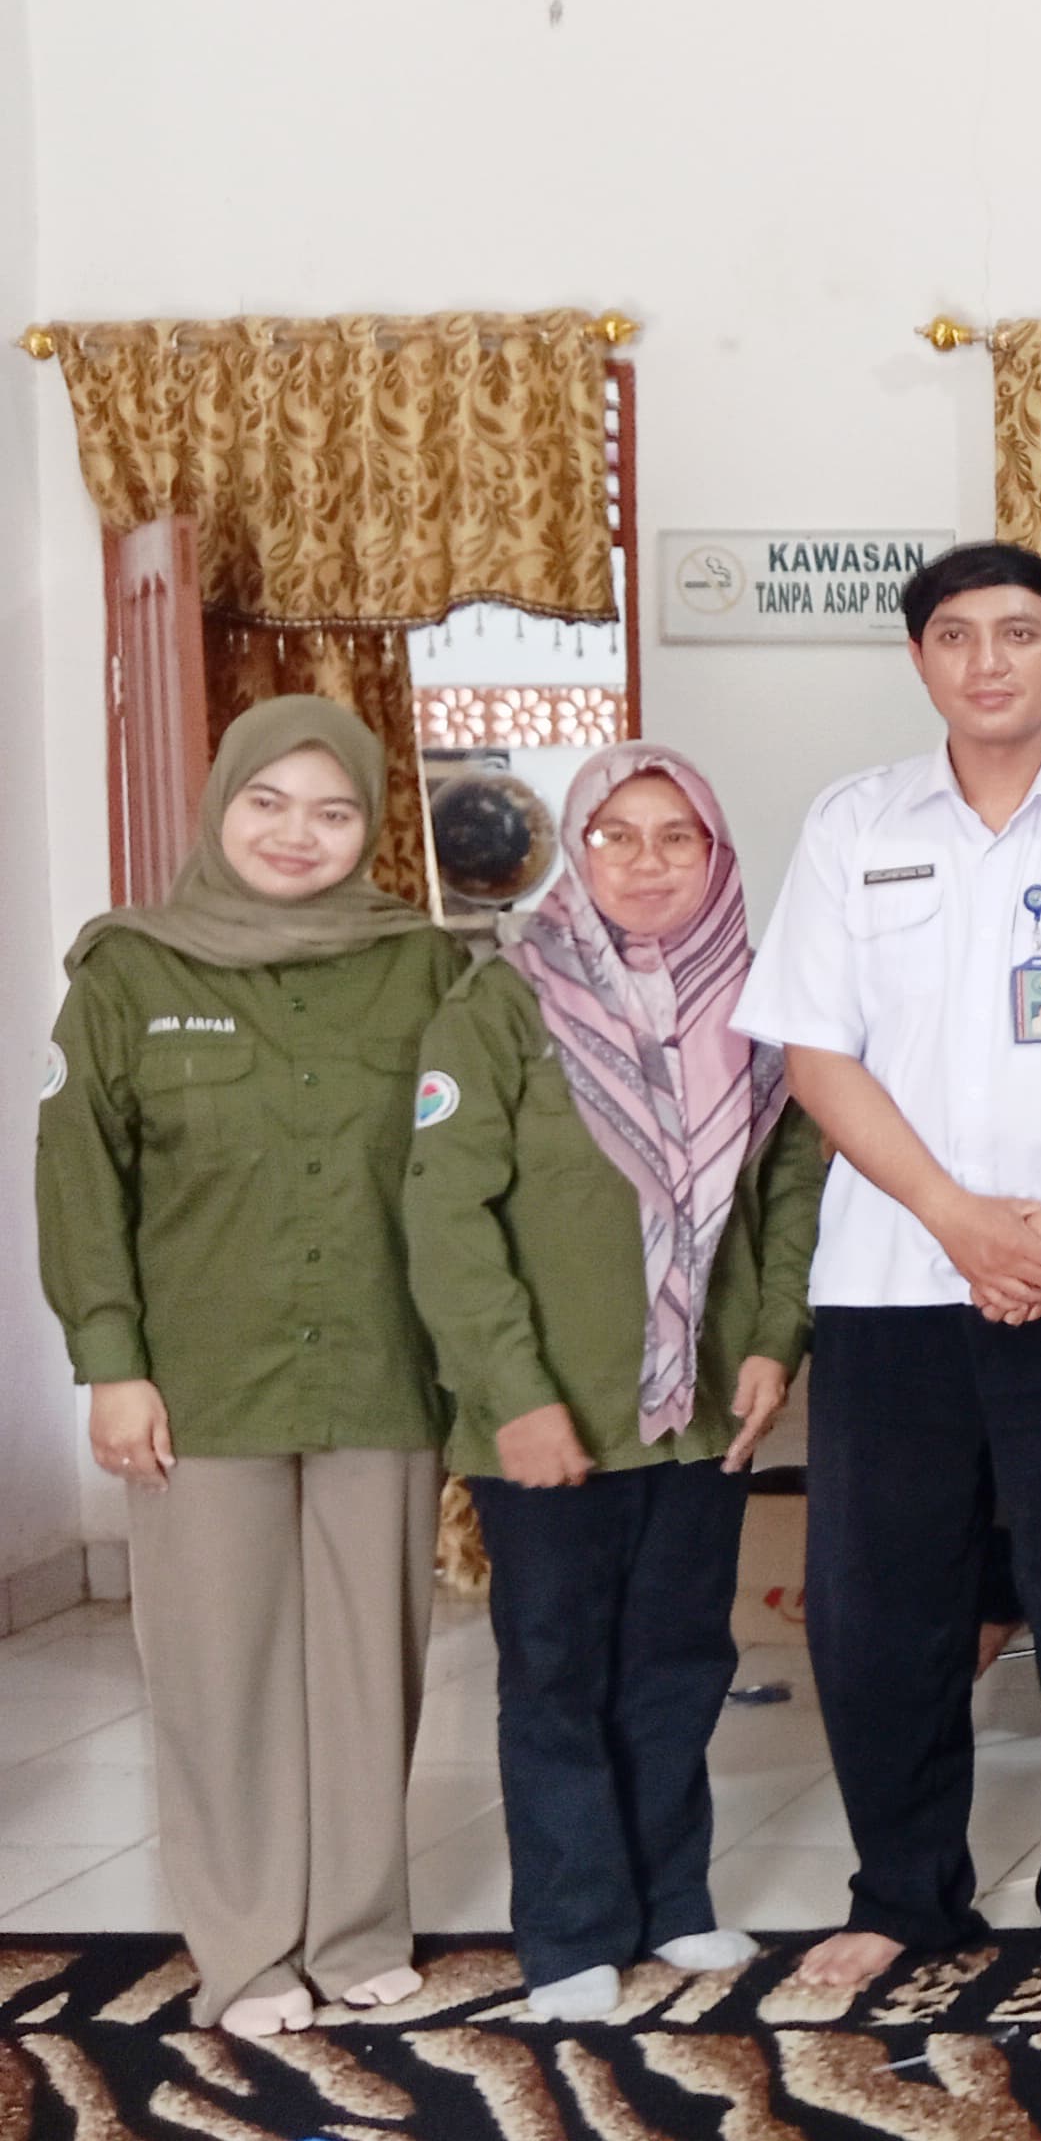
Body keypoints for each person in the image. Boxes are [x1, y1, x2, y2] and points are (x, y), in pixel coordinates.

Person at [731, 541, 1041, 1986]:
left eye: (1022, 633)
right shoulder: (851, 824)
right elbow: (816, 1051)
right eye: (958, 636)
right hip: (894, 1281)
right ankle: (901, 1896)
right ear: (921, 661)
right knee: (885, 1613)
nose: (991, 660)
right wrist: (957, 1219)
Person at [36, 696, 468, 2034]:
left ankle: (352, 1928)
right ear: (220, 806)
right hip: (201, 1376)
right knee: (219, 1669)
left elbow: (469, 1171)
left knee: (369, 1660)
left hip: (380, 1367)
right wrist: (112, 1361)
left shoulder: (430, 967)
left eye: (333, 810)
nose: (299, 833)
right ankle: (244, 1948)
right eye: (268, 804)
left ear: (372, 826)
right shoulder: (130, 969)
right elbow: (79, 1177)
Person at [404, 745, 824, 2018]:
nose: (648, 861)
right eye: (618, 835)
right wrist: (513, 1391)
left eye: (676, 836)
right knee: (555, 1667)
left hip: (700, 1407)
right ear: (578, 853)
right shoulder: (501, 1003)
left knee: (680, 1659)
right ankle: (574, 1926)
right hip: (549, 1414)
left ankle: (670, 1899)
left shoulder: (760, 1004)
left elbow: (793, 1186)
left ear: (715, 854)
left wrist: (770, 1338)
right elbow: (446, 1212)